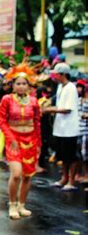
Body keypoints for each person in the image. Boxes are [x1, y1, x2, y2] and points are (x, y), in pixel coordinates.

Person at [0, 64, 41, 219]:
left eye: (24, 83)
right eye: (18, 83)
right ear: (13, 86)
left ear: (29, 86)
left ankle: (22, 205)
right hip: (13, 140)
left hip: (30, 140)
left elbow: (37, 122)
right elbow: (1, 120)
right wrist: (10, 138)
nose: (21, 86)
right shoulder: (7, 100)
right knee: (16, 174)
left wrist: (38, 144)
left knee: (28, 175)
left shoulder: (34, 101)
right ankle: (12, 204)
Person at [45, 63, 80, 191]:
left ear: (63, 74)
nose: (54, 76)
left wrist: (50, 110)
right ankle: (64, 178)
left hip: (70, 128)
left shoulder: (71, 88)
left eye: (56, 74)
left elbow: (67, 109)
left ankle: (71, 180)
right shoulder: (60, 87)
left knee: (71, 156)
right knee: (62, 155)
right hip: (60, 127)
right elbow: (59, 105)